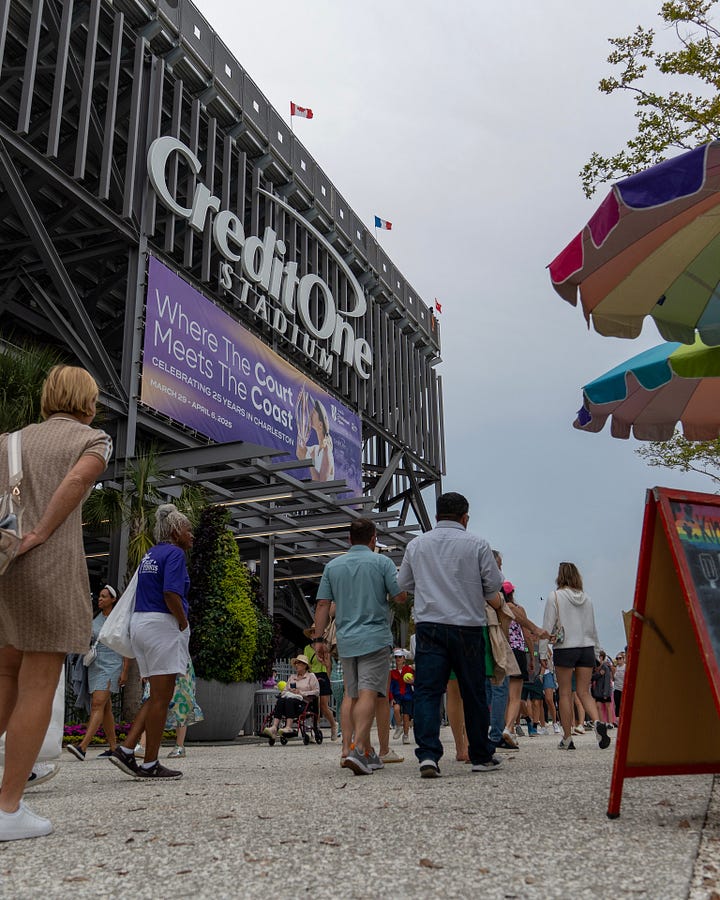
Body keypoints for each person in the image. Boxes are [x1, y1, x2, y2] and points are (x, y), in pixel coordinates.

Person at [0, 365, 112, 840]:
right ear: (88, 403)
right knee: (38, 685)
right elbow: (76, 484)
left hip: (5, 566)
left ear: (47, 397)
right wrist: (42, 532)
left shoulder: (9, 442)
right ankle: (7, 809)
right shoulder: (94, 440)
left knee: (5, 674)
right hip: (48, 565)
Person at [397, 492, 504, 777]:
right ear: (465, 517)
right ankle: (481, 754)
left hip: (430, 625)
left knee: (428, 692)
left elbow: (403, 583)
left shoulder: (417, 544)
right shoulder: (479, 544)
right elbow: (493, 585)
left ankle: (428, 755)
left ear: (436, 516)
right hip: (468, 626)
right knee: (474, 692)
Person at [312, 518, 406, 776]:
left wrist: (318, 640)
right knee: (369, 693)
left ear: (349, 539)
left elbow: (322, 605)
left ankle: (348, 748)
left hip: (346, 639)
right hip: (375, 637)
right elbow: (399, 596)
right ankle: (359, 749)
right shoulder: (383, 563)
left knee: (351, 695)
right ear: (374, 539)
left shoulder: (333, 566)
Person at [109, 504, 193, 780]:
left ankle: (126, 748)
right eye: (188, 529)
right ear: (176, 531)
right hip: (161, 625)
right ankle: (150, 763)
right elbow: (171, 592)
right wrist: (182, 621)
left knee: (156, 696)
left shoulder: (151, 554)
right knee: (162, 698)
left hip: (140, 624)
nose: (191, 535)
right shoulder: (175, 554)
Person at [541, 562, 610, 751]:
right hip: (586, 647)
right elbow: (592, 628)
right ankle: (597, 722)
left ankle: (567, 738)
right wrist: (597, 655)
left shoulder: (554, 596)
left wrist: (541, 651)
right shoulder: (587, 599)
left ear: (560, 576)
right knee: (584, 692)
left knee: (564, 693)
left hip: (565, 647)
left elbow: (547, 627)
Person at [67, 585, 130, 761]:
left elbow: (126, 646)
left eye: (104, 597)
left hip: (111, 665)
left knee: (97, 704)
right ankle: (113, 747)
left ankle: (83, 747)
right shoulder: (96, 618)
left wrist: (125, 671)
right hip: (95, 665)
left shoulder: (118, 621)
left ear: (113, 600)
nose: (100, 599)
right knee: (105, 706)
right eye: (99, 596)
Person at [262, 655, 319, 739]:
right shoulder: (292, 677)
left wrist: (300, 693)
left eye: (298, 663)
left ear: (304, 665)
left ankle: (288, 727)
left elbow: (316, 692)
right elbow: (284, 691)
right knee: (281, 700)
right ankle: (274, 727)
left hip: (304, 703)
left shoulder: (311, 676)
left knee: (289, 701)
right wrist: (290, 692)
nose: (296, 665)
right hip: (289, 701)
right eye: (295, 663)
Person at [302, 627, 338, 741]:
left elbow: (328, 665)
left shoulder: (324, 648)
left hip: (322, 676)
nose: (314, 634)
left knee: (323, 705)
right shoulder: (307, 648)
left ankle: (333, 725)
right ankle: (315, 729)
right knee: (313, 706)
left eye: (315, 632)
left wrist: (327, 679)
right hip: (312, 677)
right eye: (312, 632)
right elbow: (305, 665)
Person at [296, 394, 334, 482]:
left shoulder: (326, 451)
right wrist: (300, 407)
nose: (310, 413)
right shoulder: (315, 449)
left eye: (313, 413)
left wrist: (310, 464)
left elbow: (321, 484)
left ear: (320, 425)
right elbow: (300, 453)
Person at [389, 650, 414, 745]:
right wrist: (391, 698)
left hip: (408, 695)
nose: (398, 659)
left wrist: (412, 681)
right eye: (396, 657)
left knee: (406, 716)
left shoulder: (409, 670)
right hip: (397, 696)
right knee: (396, 709)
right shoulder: (392, 672)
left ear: (404, 658)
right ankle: (399, 727)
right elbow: (390, 687)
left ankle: (406, 735)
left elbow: (416, 681)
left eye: (400, 657)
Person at [613, 650, 626, 721]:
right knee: (617, 704)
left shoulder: (625, 667)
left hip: (624, 689)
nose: (618, 660)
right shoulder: (616, 668)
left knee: (624, 705)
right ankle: (618, 720)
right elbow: (613, 679)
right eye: (617, 658)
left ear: (623, 659)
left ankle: (624, 718)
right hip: (617, 688)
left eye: (620, 658)